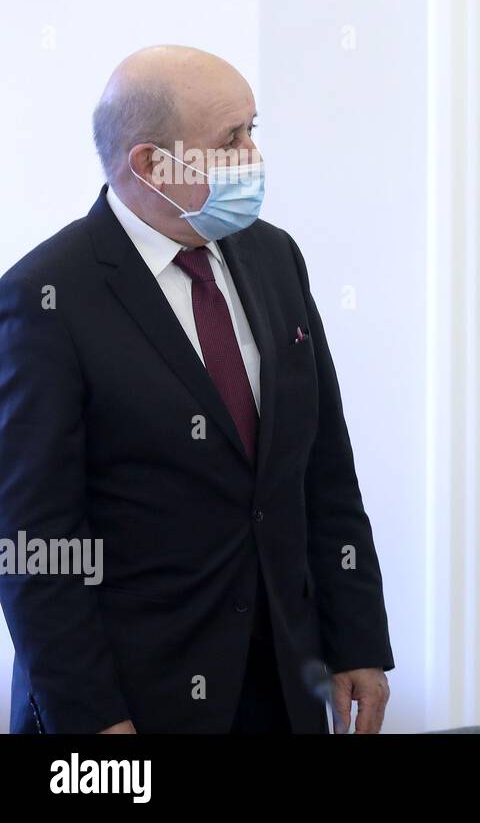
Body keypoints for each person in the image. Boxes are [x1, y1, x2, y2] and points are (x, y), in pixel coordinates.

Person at [0, 45, 393, 733]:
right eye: (231, 139)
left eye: (253, 129)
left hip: (283, 682)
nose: (254, 156)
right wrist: (91, 720)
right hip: (133, 697)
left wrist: (355, 634)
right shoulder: (45, 296)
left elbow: (324, 465)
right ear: (152, 166)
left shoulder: (273, 256)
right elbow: (34, 541)